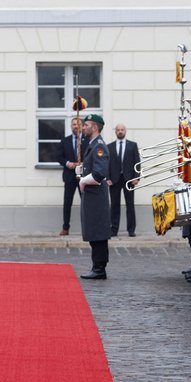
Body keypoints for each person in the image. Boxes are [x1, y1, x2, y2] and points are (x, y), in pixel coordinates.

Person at [78, 113, 111, 280]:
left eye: (86, 124)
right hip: (92, 197)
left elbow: (99, 174)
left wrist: (83, 181)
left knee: (98, 233)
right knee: (93, 232)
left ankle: (99, 268)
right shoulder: (91, 144)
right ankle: (97, 266)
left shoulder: (99, 146)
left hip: (96, 197)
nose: (83, 127)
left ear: (95, 127)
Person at [107, 123, 141, 237]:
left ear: (125, 131)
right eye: (118, 130)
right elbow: (106, 164)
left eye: (122, 130)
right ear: (115, 132)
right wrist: (107, 178)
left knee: (130, 205)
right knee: (114, 205)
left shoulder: (132, 145)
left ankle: (131, 230)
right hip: (114, 180)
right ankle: (113, 229)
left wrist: (137, 177)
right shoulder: (109, 147)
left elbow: (137, 162)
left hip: (129, 179)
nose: (120, 131)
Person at [56, 117, 88, 236]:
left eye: (78, 124)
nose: (76, 126)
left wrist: (83, 164)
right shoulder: (65, 141)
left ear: (82, 126)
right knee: (67, 202)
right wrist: (68, 164)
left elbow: (91, 156)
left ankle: (87, 227)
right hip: (69, 176)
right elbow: (59, 157)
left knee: (85, 203)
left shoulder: (87, 140)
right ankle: (65, 227)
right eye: (74, 124)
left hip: (83, 177)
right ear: (71, 126)